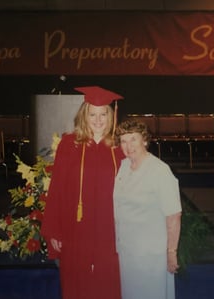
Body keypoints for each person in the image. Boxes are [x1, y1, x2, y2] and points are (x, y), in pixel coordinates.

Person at [41, 86, 125, 299]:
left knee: (109, 281)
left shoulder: (120, 147)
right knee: (77, 281)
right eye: (92, 114)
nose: (98, 120)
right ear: (84, 115)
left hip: (112, 229)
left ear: (111, 115)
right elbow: (57, 188)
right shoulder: (69, 144)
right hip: (76, 227)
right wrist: (54, 230)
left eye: (103, 114)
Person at [113, 119, 182, 299]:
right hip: (128, 250)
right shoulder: (124, 166)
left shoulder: (159, 171)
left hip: (151, 254)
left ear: (144, 140)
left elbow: (174, 215)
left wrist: (171, 252)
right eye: (123, 141)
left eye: (133, 139)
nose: (128, 146)